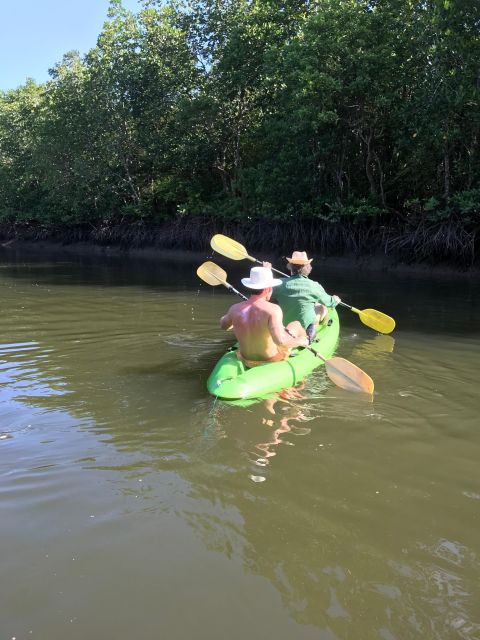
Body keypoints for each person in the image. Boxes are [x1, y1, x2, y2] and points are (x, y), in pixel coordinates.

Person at [220, 266, 309, 368]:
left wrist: (233, 319)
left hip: (245, 359)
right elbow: (281, 342)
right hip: (271, 360)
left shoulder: (234, 309)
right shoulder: (273, 309)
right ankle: (308, 341)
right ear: (268, 289)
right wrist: (301, 340)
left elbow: (224, 326)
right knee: (295, 325)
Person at [271, 251, 341, 343]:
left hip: (284, 327)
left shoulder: (279, 283)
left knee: (274, 302)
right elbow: (330, 302)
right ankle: (312, 330)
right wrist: (335, 299)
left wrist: (267, 270)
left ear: (290, 267)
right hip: (302, 328)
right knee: (322, 307)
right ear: (308, 268)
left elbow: (266, 294)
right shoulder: (314, 286)